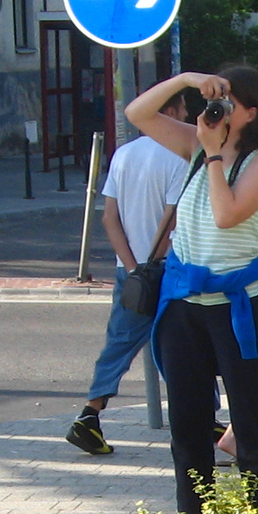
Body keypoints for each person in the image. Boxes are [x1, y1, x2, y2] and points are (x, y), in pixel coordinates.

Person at [125, 65, 258, 514]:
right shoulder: (198, 144)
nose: (215, 110)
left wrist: (215, 156)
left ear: (251, 113)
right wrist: (186, 81)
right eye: (214, 101)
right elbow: (137, 113)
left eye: (228, 103)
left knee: (252, 418)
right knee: (188, 418)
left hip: (240, 306)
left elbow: (227, 215)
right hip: (185, 304)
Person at [67, 91, 189, 456]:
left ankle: (90, 415)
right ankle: (207, 419)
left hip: (131, 270)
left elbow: (109, 218)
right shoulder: (180, 156)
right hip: (169, 269)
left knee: (119, 343)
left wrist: (134, 268)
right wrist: (154, 265)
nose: (187, 118)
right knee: (187, 346)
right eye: (184, 110)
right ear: (170, 112)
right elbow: (173, 220)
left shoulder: (124, 155)